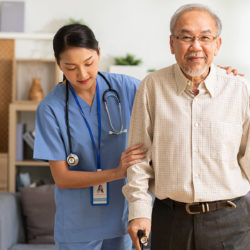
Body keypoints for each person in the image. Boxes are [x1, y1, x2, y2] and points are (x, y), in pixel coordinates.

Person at [123, 3, 250, 250]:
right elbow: (139, 159)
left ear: (217, 44)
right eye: (186, 37)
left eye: (205, 37)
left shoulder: (240, 89)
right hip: (169, 220)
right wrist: (138, 211)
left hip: (229, 220)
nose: (196, 46)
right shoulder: (151, 87)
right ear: (172, 43)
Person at [33, 24, 147, 250]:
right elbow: (62, 179)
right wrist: (117, 172)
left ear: (99, 53)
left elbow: (173, 95)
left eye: (88, 63)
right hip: (77, 227)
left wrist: (213, 74)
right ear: (58, 64)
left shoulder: (127, 88)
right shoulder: (51, 108)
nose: (82, 74)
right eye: (71, 67)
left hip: (123, 218)